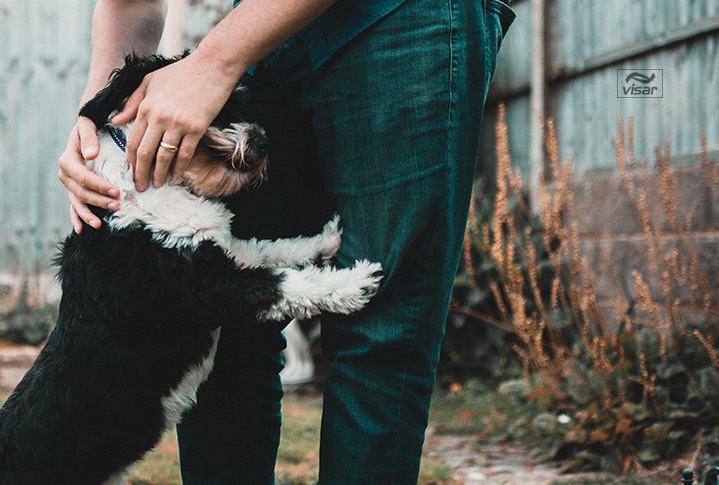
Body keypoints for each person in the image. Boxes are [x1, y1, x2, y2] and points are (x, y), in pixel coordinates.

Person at [57, 0, 515, 483]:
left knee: (379, 331)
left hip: (401, 18)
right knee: (221, 322)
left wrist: (213, 64)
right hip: (261, 34)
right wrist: (98, 117)